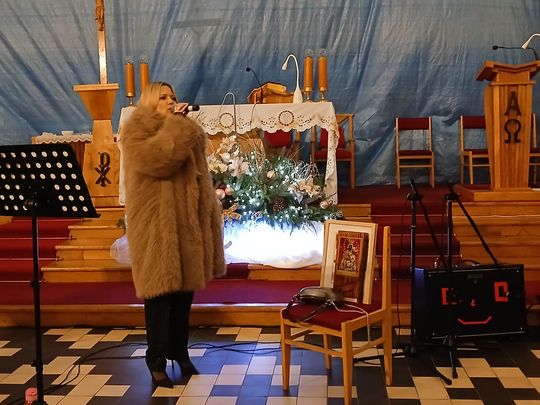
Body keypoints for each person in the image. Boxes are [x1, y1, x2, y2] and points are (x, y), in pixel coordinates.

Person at [121, 81, 226, 388]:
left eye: (173, 97)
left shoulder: (184, 131)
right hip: (157, 226)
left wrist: (207, 214)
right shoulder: (137, 131)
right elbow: (160, 161)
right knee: (159, 296)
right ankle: (155, 359)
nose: (171, 101)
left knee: (183, 296)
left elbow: (199, 177)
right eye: (163, 97)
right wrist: (179, 127)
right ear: (149, 102)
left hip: (186, 223)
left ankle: (179, 352)